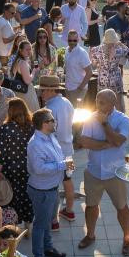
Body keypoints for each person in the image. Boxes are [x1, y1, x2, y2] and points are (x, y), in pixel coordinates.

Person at [77, 89, 129, 256]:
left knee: (122, 207)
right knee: (91, 205)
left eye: (102, 102)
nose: (98, 105)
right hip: (94, 171)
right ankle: (90, 235)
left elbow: (118, 140)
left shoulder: (123, 120)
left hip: (115, 173)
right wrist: (105, 144)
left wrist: (104, 124)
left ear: (113, 103)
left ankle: (127, 238)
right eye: (97, 101)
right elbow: (84, 141)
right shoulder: (90, 118)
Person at [26, 108, 70, 257]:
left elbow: (56, 158)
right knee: (40, 224)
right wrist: (62, 165)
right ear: (44, 124)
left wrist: (64, 165)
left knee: (48, 221)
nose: (54, 122)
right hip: (42, 191)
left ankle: (48, 248)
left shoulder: (50, 136)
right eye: (52, 120)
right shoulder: (36, 144)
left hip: (52, 187)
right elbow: (39, 168)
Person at [37, 74, 77, 223]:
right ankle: (69, 211)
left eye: (43, 90)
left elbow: (49, 132)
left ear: (51, 90)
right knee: (68, 181)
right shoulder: (66, 102)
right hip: (68, 149)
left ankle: (53, 221)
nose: (42, 94)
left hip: (54, 153)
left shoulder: (49, 109)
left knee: (52, 187)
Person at [0, 97, 34, 227]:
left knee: (11, 197)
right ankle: (28, 227)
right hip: (28, 168)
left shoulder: (6, 128)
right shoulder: (32, 126)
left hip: (10, 170)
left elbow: (0, 151)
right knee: (26, 196)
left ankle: (14, 227)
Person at [90, 28, 129, 111]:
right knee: (118, 101)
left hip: (103, 78)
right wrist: (120, 43)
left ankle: (102, 119)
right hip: (115, 78)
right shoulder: (118, 50)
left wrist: (100, 66)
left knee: (102, 100)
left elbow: (93, 65)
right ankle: (119, 119)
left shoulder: (96, 50)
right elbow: (127, 50)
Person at [7, 38, 40, 110]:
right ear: (21, 50)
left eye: (30, 49)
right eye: (27, 49)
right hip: (25, 93)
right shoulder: (23, 63)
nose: (29, 51)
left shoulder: (18, 60)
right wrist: (34, 71)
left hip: (19, 91)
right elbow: (27, 81)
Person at [63, 28, 92, 104]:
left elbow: (89, 72)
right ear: (67, 40)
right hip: (68, 87)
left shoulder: (82, 53)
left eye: (74, 40)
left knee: (77, 113)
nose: (72, 42)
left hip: (77, 88)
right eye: (70, 40)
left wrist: (80, 88)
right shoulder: (67, 50)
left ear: (78, 40)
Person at [0, 2, 18, 67]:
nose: (13, 15)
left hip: (1, 50)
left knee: (4, 69)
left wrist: (13, 30)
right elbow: (5, 40)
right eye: (12, 13)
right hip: (5, 52)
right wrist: (15, 35)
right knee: (6, 70)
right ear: (6, 11)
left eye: (14, 13)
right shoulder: (5, 24)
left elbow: (4, 32)